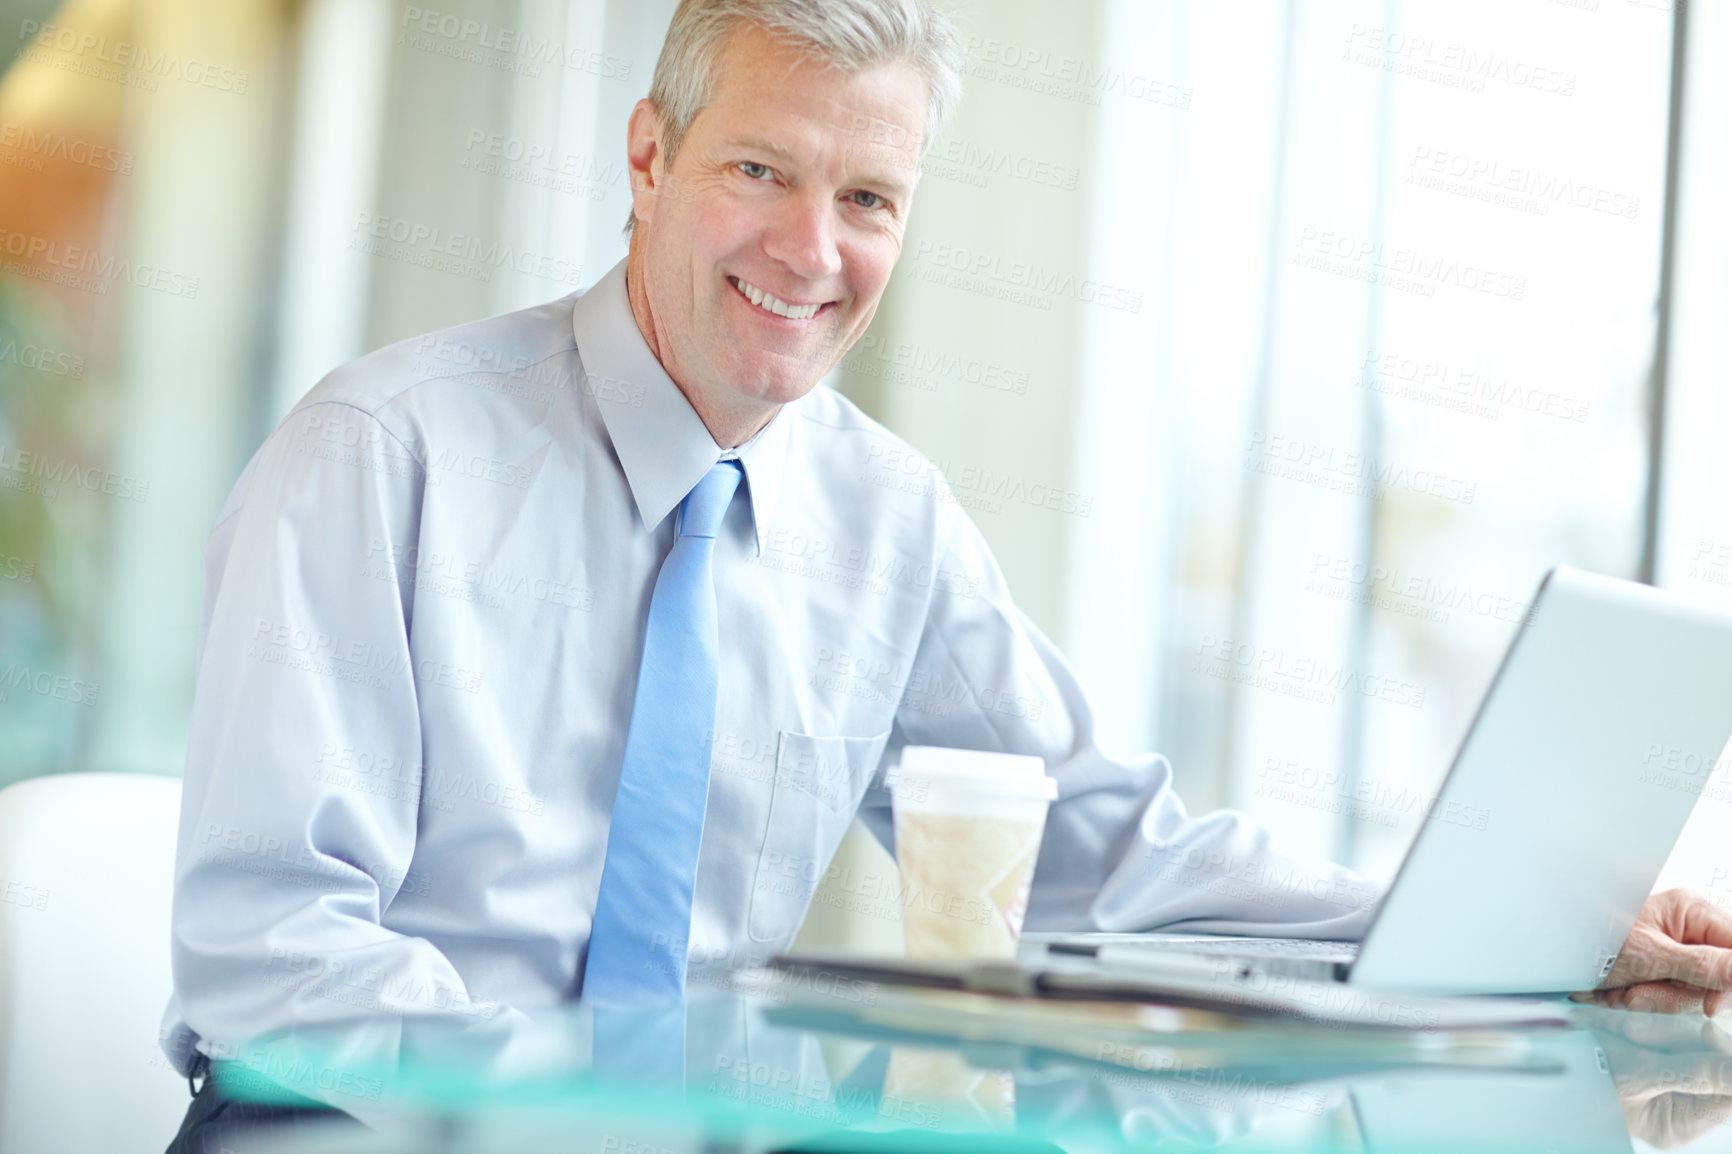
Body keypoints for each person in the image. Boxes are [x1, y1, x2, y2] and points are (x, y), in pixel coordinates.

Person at [161, 0, 1732, 1146]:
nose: (808, 249)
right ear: (648, 153)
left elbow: (1113, 856)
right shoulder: (384, 454)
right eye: (760, 171)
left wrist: (1508, 923)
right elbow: (269, 945)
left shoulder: (883, 521)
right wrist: (564, 1113)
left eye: (867, 199)